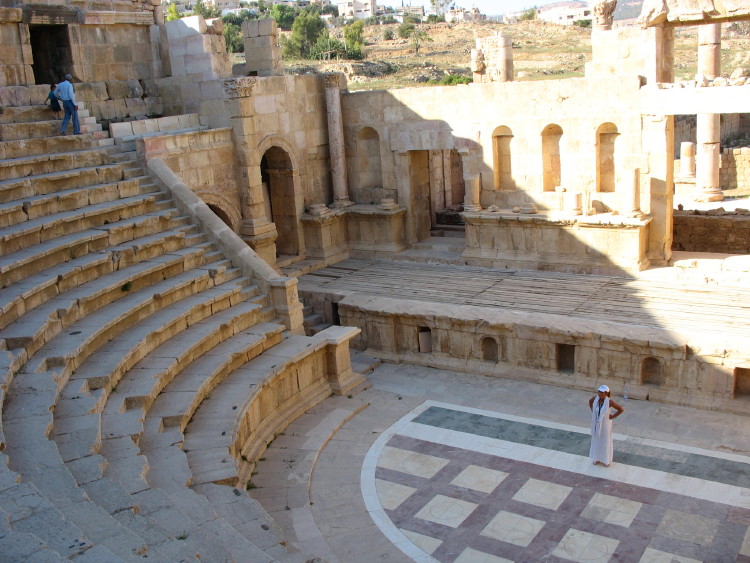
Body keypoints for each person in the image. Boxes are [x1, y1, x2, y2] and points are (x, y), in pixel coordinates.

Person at [589, 384, 624, 467]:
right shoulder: (595, 399)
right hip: (597, 423)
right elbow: (590, 402)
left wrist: (612, 416)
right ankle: (596, 458)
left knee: (605, 441)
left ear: (605, 393)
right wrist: (593, 411)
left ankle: (605, 460)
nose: (599, 394)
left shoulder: (609, 402)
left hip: (605, 424)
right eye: (599, 392)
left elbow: (621, 409)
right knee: (597, 439)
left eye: (601, 392)